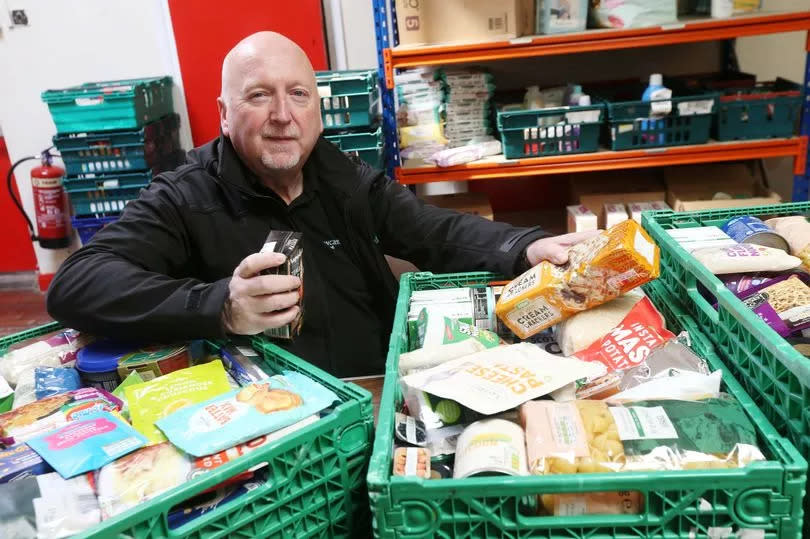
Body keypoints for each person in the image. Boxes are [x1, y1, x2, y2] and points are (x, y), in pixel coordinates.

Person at [46, 32, 597, 378]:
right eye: (259, 95)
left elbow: (429, 230)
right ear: (222, 112)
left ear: (317, 107)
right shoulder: (186, 194)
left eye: (299, 94)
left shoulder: (341, 176)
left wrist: (525, 244)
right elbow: (78, 282)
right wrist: (220, 305)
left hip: (376, 387)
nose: (283, 114)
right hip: (273, 417)